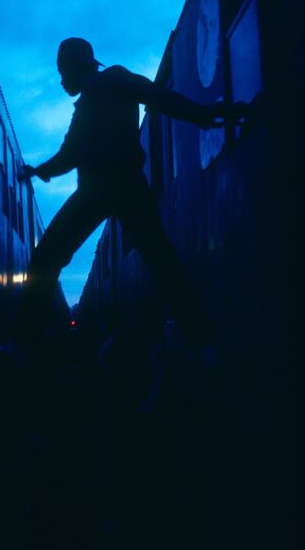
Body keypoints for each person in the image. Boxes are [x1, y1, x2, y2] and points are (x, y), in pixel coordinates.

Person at [15, 37, 247, 350]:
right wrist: (202, 114)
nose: (61, 80)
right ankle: (199, 333)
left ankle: (25, 343)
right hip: (128, 187)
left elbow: (69, 156)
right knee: (161, 261)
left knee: (46, 257)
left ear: (75, 66)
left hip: (99, 189)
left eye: (62, 71)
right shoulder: (105, 89)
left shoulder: (107, 85)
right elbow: (159, 98)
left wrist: (204, 114)